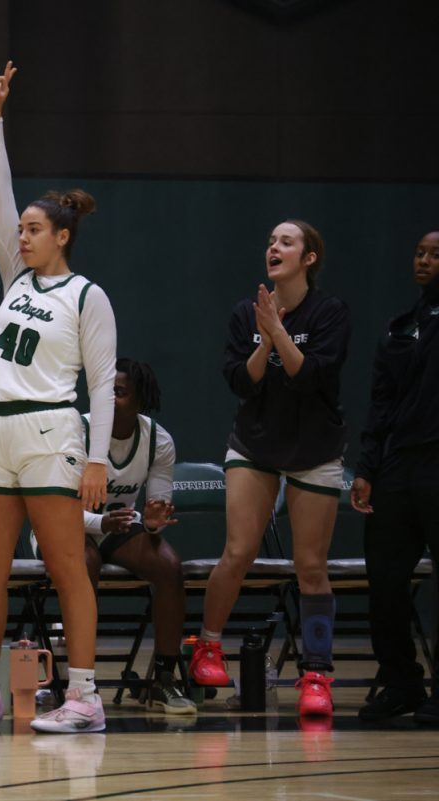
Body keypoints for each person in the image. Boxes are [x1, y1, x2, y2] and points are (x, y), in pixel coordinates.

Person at [0, 62, 117, 734]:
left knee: (68, 566)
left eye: (35, 230)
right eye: (23, 230)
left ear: (62, 236)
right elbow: (1, 191)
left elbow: (101, 382)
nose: (22, 235)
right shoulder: (15, 278)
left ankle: (85, 695)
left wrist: (96, 460)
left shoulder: (85, 295)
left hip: (49, 434)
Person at [192, 220, 351, 718]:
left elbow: (308, 378)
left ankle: (317, 675)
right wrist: (264, 338)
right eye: (270, 241)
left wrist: (280, 331)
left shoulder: (330, 313)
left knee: (310, 567)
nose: (273, 248)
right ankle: (209, 648)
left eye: (286, 241)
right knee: (238, 550)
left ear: (309, 257)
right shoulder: (247, 312)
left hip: (315, 448)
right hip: (255, 445)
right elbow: (243, 382)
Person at [352, 230, 439, 724]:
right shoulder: (402, 326)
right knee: (385, 580)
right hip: (397, 467)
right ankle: (402, 682)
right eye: (420, 253)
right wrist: (367, 467)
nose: (424, 260)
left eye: (435, 254)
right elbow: (381, 402)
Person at [76, 359, 192, 715]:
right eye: (105, 391)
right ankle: (81, 683)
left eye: (119, 392)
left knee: (170, 566)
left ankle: (163, 679)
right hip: (68, 525)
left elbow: (156, 510)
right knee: (86, 562)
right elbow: (58, 506)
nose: (109, 399)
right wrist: (100, 523)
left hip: (118, 526)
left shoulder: (159, 440)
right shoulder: (76, 430)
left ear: (141, 399)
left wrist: (155, 522)